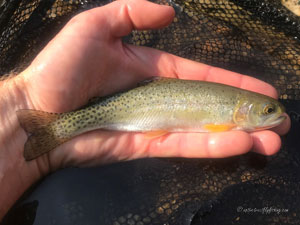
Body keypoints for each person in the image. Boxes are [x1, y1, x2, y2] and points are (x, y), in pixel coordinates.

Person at [0, 0, 290, 220]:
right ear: (244, 110)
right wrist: (25, 99)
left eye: (267, 110)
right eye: (267, 110)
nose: (272, 114)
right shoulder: (231, 119)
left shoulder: (234, 119)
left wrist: (20, 108)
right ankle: (57, 127)